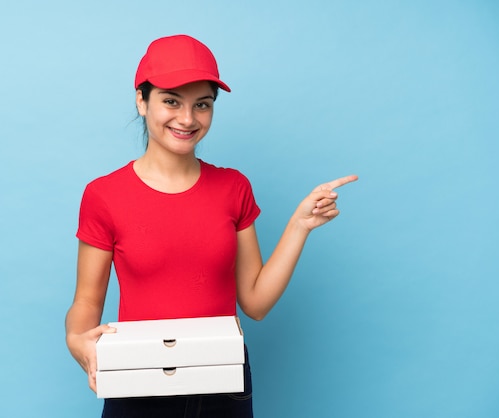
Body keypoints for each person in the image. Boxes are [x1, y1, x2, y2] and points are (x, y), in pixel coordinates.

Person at [65, 34, 358, 417]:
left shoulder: (233, 187)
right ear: (142, 100)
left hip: (222, 380)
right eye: (171, 101)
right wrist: (77, 341)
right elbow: (86, 302)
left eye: (201, 105)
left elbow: (254, 303)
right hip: (137, 380)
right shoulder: (104, 195)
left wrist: (299, 226)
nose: (187, 119)